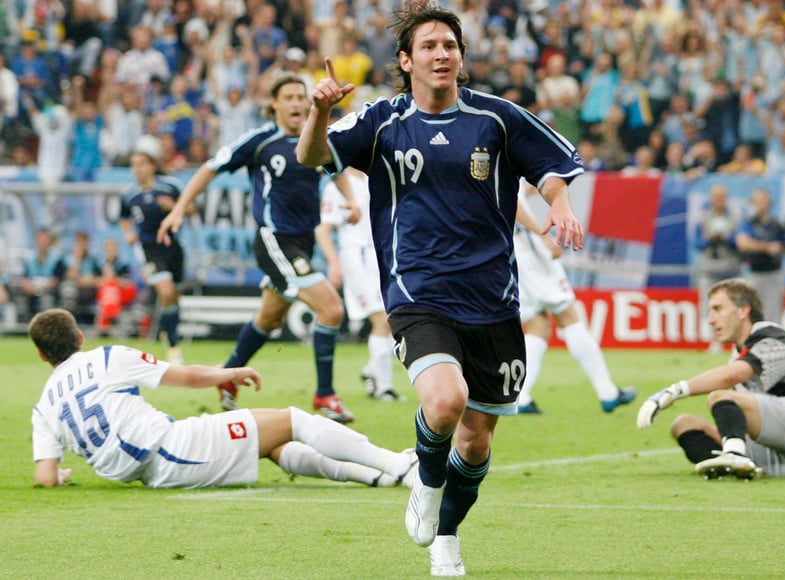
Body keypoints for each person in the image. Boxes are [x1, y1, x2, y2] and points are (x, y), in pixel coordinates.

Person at [296, 4, 584, 576]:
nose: (442, 54)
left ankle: (446, 537)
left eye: (450, 45)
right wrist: (319, 111)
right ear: (406, 61)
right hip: (417, 291)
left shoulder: (497, 119)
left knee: (477, 441)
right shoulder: (380, 120)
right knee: (445, 401)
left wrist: (561, 204)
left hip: (494, 300)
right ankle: (426, 483)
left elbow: (551, 168)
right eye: (428, 46)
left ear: (461, 56)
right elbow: (313, 156)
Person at [28, 308, 419, 489]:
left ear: (42, 355)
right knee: (294, 419)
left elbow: (46, 476)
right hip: (171, 450)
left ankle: (375, 476)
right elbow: (188, 376)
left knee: (274, 442)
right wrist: (232, 371)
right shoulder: (108, 357)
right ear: (80, 337)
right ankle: (398, 466)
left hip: (156, 464)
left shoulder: (43, 405)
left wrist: (61, 476)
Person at [157, 73, 358, 423]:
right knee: (331, 309)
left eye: (301, 96)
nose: (297, 102)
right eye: (290, 97)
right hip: (273, 239)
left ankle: (228, 377)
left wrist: (352, 200)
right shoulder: (261, 141)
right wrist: (178, 208)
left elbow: (336, 168)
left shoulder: (316, 138)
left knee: (270, 317)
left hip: (303, 242)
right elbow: (211, 167)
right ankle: (325, 395)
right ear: (275, 104)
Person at [636, 278, 785, 479]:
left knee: (721, 396)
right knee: (683, 425)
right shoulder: (737, 354)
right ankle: (733, 470)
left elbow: (732, 376)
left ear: (743, 310)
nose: (711, 319)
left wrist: (675, 391)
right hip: (782, 449)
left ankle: (735, 456)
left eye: (718, 309)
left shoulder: (772, 337)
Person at [513, 183, 635, 415]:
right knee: (568, 315)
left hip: (515, 252)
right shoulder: (507, 154)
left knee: (537, 326)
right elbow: (513, 202)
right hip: (530, 250)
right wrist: (545, 237)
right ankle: (607, 392)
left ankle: (522, 397)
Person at [317, 166, 404, 402]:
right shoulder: (336, 186)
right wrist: (334, 263)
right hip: (356, 258)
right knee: (382, 318)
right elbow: (323, 230)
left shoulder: (374, 178)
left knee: (391, 319)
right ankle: (383, 386)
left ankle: (372, 371)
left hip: (382, 259)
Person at [119, 135, 188, 364]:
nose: (136, 169)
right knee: (166, 293)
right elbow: (124, 218)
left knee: (173, 299)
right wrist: (128, 233)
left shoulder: (170, 186)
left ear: (151, 165)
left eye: (141, 164)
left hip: (172, 247)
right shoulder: (129, 194)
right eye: (133, 165)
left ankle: (170, 334)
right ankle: (173, 347)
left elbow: (192, 209)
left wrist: (175, 208)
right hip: (149, 249)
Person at [694, 184, 741, 351]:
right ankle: (715, 340)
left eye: (722, 197)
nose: (719, 201)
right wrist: (709, 239)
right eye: (716, 197)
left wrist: (727, 239)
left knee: (733, 305)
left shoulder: (735, 218)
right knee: (711, 305)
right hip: (709, 268)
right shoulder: (703, 218)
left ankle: (735, 341)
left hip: (730, 267)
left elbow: (739, 242)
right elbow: (696, 242)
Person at [736, 188, 785, 324]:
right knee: (752, 310)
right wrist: (766, 247)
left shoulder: (776, 224)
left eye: (764, 200)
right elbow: (743, 243)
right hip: (755, 272)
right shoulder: (749, 222)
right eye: (758, 200)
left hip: (773, 272)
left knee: (773, 312)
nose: (761, 203)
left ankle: (771, 342)